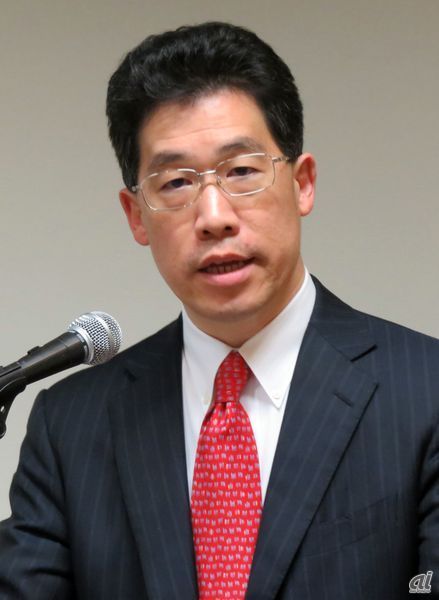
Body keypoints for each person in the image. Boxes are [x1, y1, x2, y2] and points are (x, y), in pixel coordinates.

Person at [0, 21, 438, 600]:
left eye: (241, 172)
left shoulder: (426, 392)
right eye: (176, 183)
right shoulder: (70, 427)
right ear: (136, 215)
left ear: (303, 184)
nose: (213, 217)